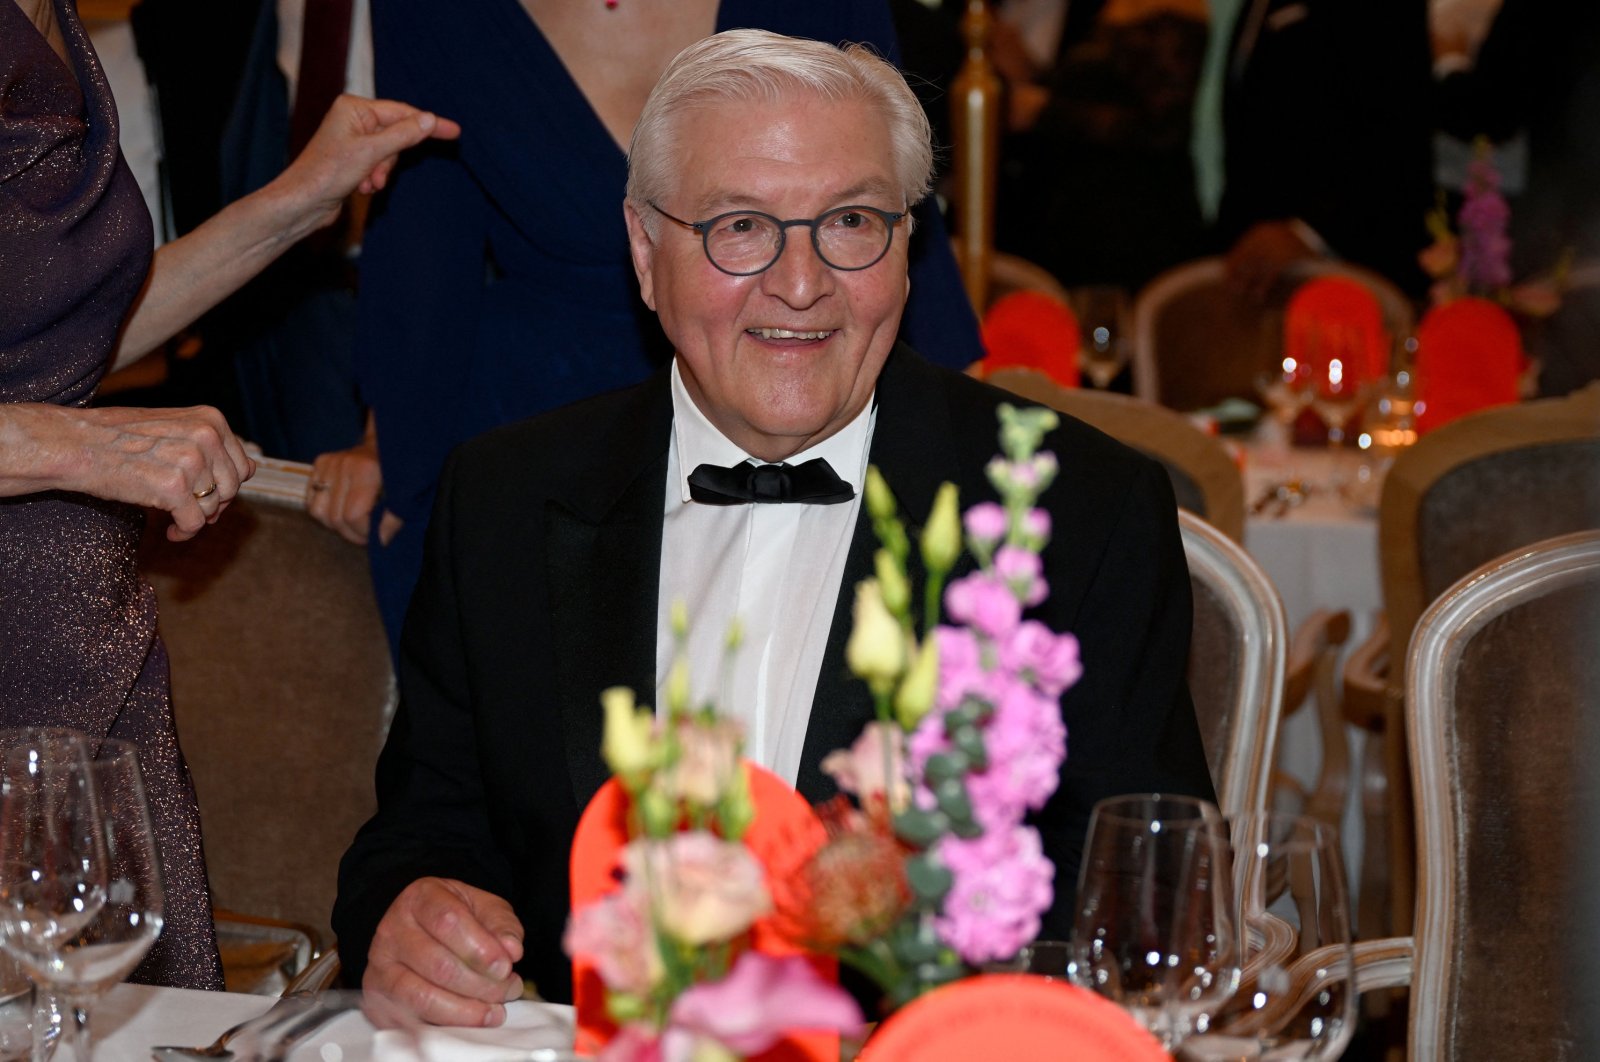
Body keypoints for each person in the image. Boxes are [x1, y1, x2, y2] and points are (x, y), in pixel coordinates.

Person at [332, 28, 1214, 1027]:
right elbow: (419, 834)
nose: (801, 285)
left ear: (908, 246)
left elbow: (1141, 911)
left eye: (849, 223)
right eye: (740, 228)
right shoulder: (505, 495)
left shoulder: (1073, 513)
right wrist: (408, 918)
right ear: (644, 250)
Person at [303, 1, 989, 661]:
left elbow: (887, 201)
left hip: (802, 389)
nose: (796, 278)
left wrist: (973, 445)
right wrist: (390, 442)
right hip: (538, 410)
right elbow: (428, 233)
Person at [0, 0, 457, 989]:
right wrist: (74, 447)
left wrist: (301, 198)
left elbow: (59, 345)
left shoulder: (54, 21)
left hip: (80, 641)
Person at [1211, 0, 1436, 298]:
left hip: (1348, 272)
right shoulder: (1256, 7)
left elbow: (1401, 138)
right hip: (1259, 271)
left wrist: (1308, 232)